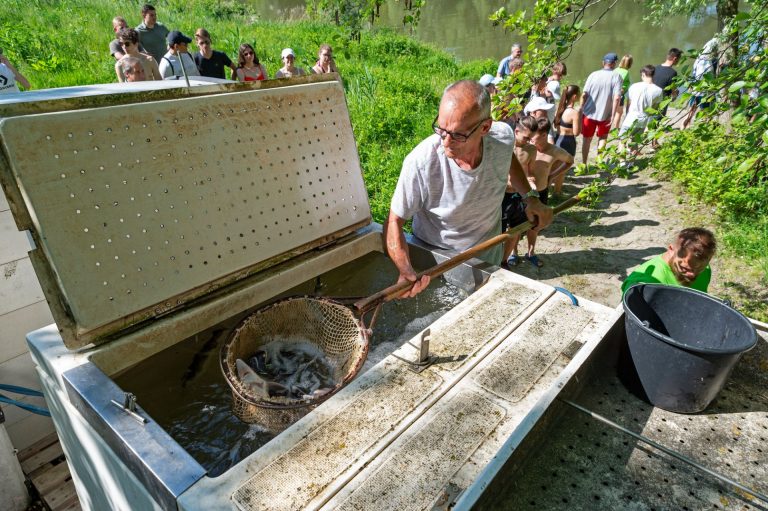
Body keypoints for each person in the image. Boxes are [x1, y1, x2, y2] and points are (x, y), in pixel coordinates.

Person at [386, 80, 553, 297]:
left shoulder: (502, 138)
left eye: (457, 134)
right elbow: (393, 221)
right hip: (437, 261)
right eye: (441, 129)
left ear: (485, 128)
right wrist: (405, 269)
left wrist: (531, 198)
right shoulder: (421, 162)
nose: (445, 141)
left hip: (489, 252)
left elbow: (508, 160)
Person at [508, 118, 573, 268]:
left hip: (540, 191)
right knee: (515, 226)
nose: (531, 140)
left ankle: (531, 252)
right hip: (523, 192)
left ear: (544, 135)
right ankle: (514, 253)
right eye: (529, 137)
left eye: (534, 136)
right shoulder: (525, 148)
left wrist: (552, 175)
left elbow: (569, 161)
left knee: (535, 226)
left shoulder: (554, 151)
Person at [622, 228, 716, 294]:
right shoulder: (642, 282)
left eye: (699, 269)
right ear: (671, 250)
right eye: (685, 268)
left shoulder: (705, 268)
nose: (692, 275)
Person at [503, 115, 538, 267]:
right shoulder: (503, 147)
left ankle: (505, 259)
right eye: (526, 138)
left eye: (531, 138)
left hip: (519, 195)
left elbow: (529, 172)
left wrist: (531, 181)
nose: (529, 141)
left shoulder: (531, 150)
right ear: (516, 131)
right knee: (498, 231)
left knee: (516, 229)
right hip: (502, 195)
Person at [581, 52, 622, 164]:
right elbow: (617, 97)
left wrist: (581, 110)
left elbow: (584, 94)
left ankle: (584, 164)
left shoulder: (593, 74)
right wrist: (613, 115)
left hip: (588, 113)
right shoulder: (616, 76)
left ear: (603, 63)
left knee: (586, 139)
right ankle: (599, 162)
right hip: (606, 115)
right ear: (614, 64)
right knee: (603, 137)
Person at [619, 65, 663, 156]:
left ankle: (622, 163)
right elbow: (655, 109)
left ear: (643, 75)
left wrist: (626, 116)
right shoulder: (659, 90)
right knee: (635, 142)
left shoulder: (634, 86)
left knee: (622, 141)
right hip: (643, 120)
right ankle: (631, 164)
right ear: (653, 75)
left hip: (631, 118)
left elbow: (629, 103)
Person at [552, 84, 583, 195]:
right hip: (568, 142)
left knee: (554, 167)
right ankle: (557, 193)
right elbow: (576, 132)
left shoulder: (560, 109)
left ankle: (552, 189)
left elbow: (556, 126)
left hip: (558, 139)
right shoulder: (573, 113)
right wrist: (580, 117)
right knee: (562, 171)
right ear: (574, 97)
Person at [683, 38, 718, 129]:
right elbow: (712, 76)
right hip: (705, 90)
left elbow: (694, 73)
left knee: (692, 108)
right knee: (705, 109)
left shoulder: (698, 60)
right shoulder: (711, 62)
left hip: (696, 88)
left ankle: (686, 123)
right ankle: (705, 125)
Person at [652, 48, 682, 115]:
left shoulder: (656, 68)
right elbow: (673, 91)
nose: (678, 61)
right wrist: (675, 95)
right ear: (675, 59)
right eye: (678, 59)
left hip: (651, 99)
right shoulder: (673, 73)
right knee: (657, 122)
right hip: (662, 103)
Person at [612, 54, 633, 128]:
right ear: (630, 63)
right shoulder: (626, 72)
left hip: (612, 93)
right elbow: (623, 82)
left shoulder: (615, 69)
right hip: (620, 94)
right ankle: (616, 127)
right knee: (619, 112)